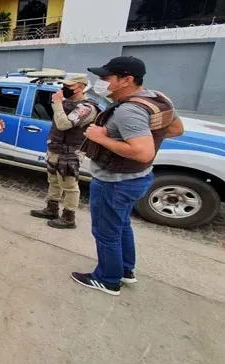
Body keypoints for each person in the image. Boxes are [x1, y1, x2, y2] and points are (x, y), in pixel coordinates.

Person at [72, 56, 184, 296]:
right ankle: (125, 271)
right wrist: (141, 137)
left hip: (115, 182)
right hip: (137, 178)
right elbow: (175, 129)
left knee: (105, 232)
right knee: (121, 226)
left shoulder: (129, 111)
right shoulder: (156, 98)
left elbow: (143, 153)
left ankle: (108, 279)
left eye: (106, 78)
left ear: (127, 80)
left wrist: (102, 138)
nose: (100, 82)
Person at [30, 74, 99, 228]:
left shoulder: (86, 108)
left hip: (70, 152)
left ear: (81, 87)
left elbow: (63, 124)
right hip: (55, 148)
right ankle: (51, 208)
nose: (64, 89)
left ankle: (69, 218)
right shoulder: (66, 103)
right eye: (65, 86)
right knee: (53, 180)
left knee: (69, 185)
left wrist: (57, 103)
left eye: (70, 86)